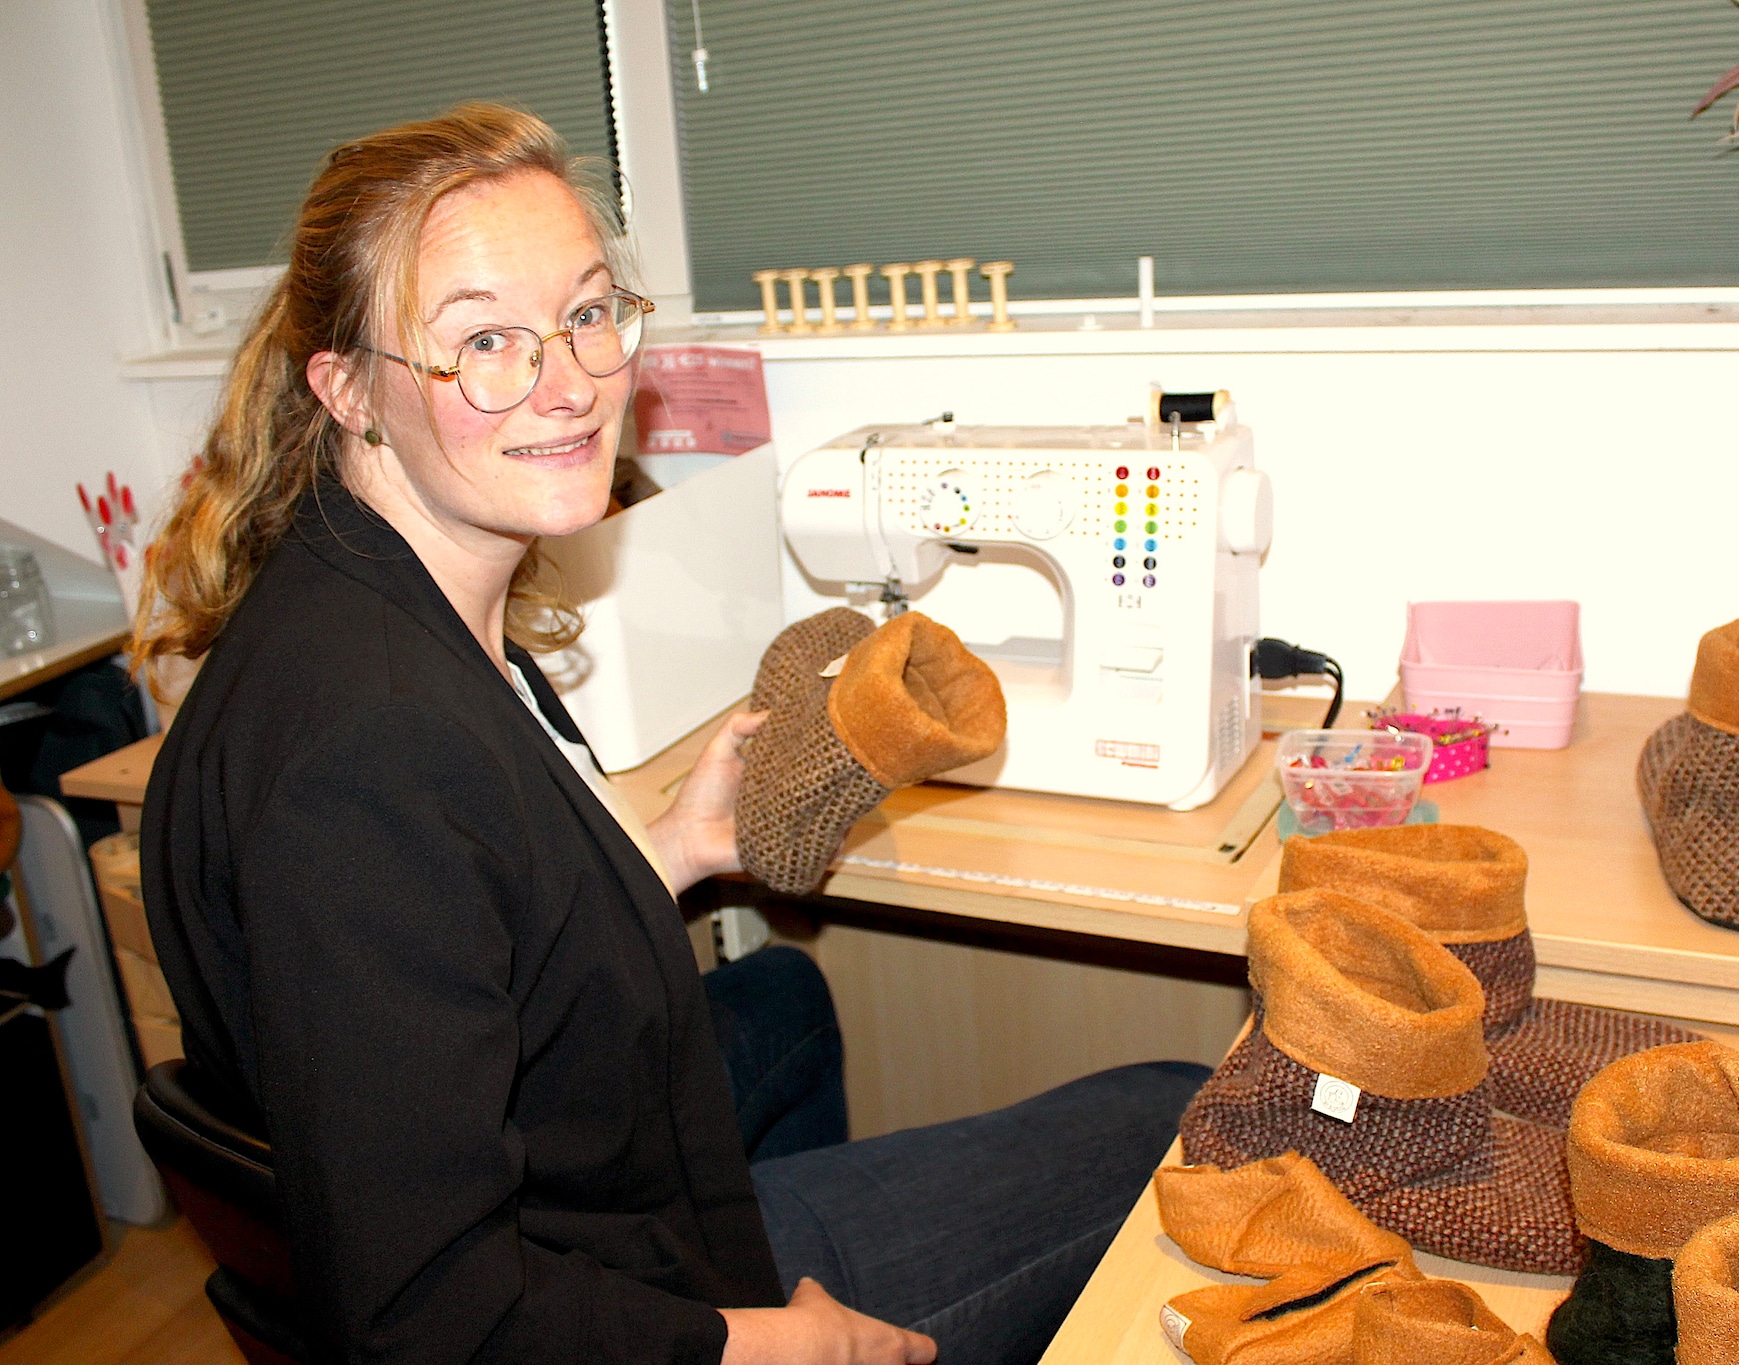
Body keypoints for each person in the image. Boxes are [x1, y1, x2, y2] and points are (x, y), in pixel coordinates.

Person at [132, 105, 1203, 1365]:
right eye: (485, 341)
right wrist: (775, 1348)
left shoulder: (372, 594)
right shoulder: (366, 760)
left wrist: (665, 851)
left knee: (783, 999)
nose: (572, 382)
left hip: (565, 1199)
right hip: (579, 1305)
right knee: (1164, 1108)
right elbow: (430, 1316)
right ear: (350, 387)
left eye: (587, 314)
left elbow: (457, 946)